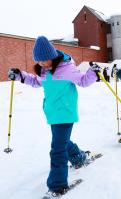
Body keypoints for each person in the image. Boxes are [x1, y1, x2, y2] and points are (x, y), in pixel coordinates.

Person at [7, 36, 99, 196]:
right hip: (53, 114)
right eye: (39, 61)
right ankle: (79, 157)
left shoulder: (67, 68)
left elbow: (83, 81)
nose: (41, 63)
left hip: (65, 113)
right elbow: (36, 82)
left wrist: (94, 73)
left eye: (44, 60)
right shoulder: (44, 71)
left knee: (57, 149)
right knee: (62, 142)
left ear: (52, 56)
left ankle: (58, 185)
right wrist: (20, 75)